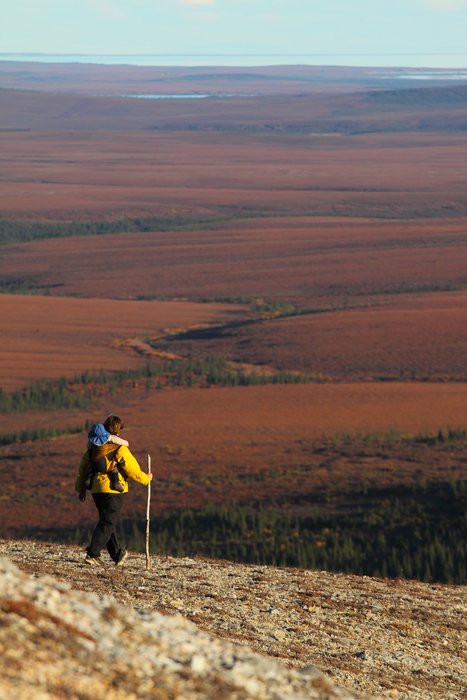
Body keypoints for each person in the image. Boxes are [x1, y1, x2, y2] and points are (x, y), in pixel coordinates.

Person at [76, 414, 153, 567]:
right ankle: (93, 554)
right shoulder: (119, 448)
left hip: (96, 490)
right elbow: (132, 470)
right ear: (118, 431)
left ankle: (117, 554)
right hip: (113, 491)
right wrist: (146, 478)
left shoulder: (93, 449)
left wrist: (81, 488)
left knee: (107, 521)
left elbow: (83, 469)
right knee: (108, 522)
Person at [85, 422, 130, 493]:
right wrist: (126, 443)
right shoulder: (110, 438)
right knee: (112, 467)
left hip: (94, 465)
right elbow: (120, 441)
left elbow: (88, 448)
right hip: (104, 465)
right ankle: (116, 482)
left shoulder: (91, 443)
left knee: (90, 467)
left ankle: (88, 479)